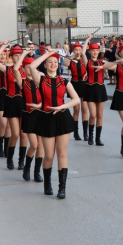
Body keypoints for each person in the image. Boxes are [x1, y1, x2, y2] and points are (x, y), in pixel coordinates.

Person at [29, 50, 80, 198]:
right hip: (46, 118)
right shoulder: (40, 79)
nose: (53, 64)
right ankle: (47, 184)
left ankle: (62, 188)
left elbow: (76, 99)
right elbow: (32, 67)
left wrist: (63, 106)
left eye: (55, 63)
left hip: (62, 118)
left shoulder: (64, 81)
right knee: (49, 156)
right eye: (50, 62)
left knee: (62, 153)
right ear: (45, 64)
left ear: (58, 65)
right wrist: (47, 54)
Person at [0, 43, 28, 170]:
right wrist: (3, 47)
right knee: (15, 134)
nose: (18, 58)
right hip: (12, 103)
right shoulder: (7, 69)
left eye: (20, 55)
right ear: (11, 57)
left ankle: (21, 161)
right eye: (15, 56)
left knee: (24, 134)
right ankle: (9, 159)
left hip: (25, 103)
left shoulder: (28, 70)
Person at [14, 51, 44, 183]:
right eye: (28, 67)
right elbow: (15, 68)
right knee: (34, 145)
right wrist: (24, 53)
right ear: (24, 69)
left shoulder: (40, 80)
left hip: (41, 114)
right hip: (29, 116)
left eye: (33, 66)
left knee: (41, 146)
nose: (31, 69)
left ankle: (37, 172)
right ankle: (27, 167)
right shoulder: (23, 82)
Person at [81, 35, 108, 146]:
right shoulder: (88, 63)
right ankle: (90, 136)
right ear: (90, 51)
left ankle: (98, 138)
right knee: (92, 114)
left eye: (96, 50)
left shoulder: (103, 63)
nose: (95, 52)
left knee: (100, 116)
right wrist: (87, 40)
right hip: (90, 89)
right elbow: (82, 53)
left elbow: (112, 66)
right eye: (93, 50)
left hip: (100, 89)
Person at [64, 42, 88, 141]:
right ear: (73, 51)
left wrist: (82, 53)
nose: (78, 51)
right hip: (74, 85)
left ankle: (85, 133)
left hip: (84, 84)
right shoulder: (71, 60)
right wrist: (73, 56)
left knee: (84, 110)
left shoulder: (84, 59)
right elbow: (65, 63)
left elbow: (87, 64)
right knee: (76, 110)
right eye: (76, 50)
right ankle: (76, 132)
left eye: (79, 50)